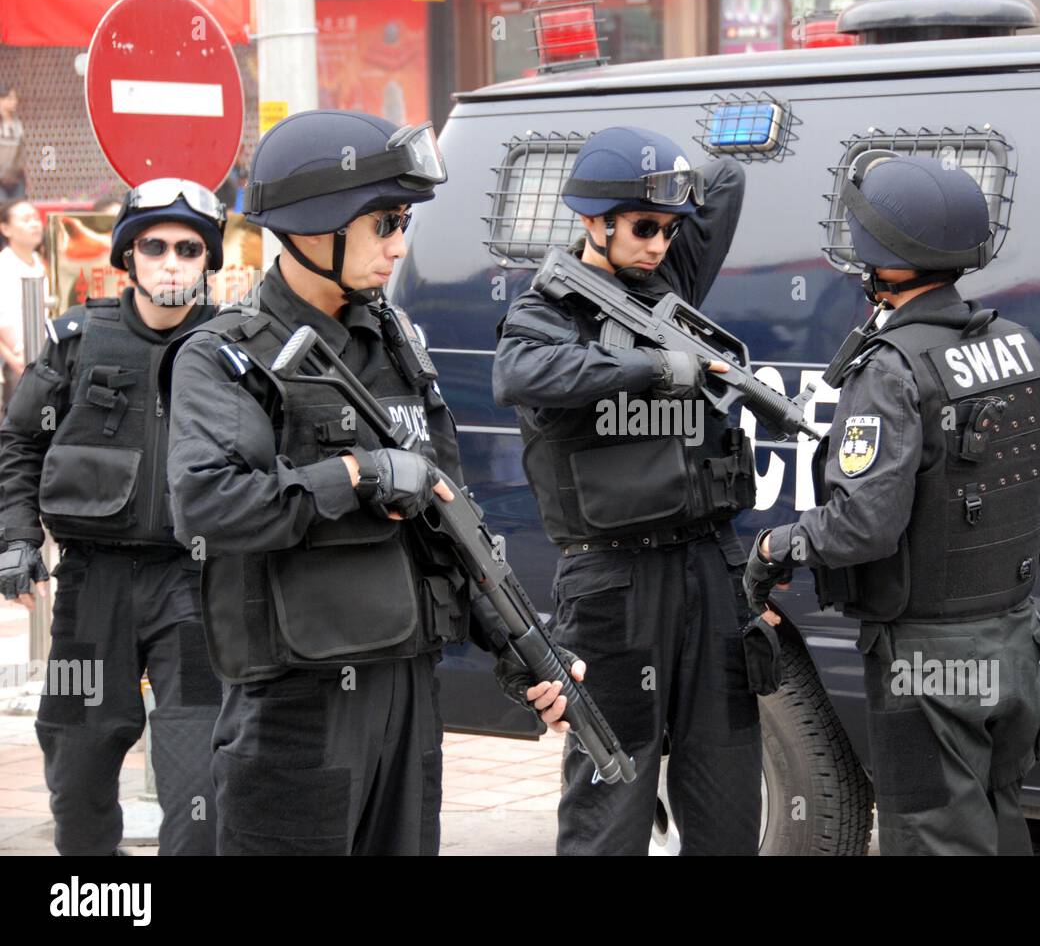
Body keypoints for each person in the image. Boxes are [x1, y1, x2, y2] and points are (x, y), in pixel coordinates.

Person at [161, 109, 569, 856]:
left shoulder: (397, 343)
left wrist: (517, 643)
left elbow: (448, 516)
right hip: (298, 702)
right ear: (316, 227)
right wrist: (358, 474)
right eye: (383, 222)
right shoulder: (226, 357)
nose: (399, 245)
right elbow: (211, 501)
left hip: (406, 690)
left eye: (402, 221)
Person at [743, 154, 1040, 856]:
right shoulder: (1019, 346)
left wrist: (778, 547)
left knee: (931, 840)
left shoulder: (893, 366)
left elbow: (864, 523)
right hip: (1013, 645)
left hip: (929, 661)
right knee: (997, 829)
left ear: (880, 260)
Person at [493, 126, 766, 855]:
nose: (658, 244)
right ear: (592, 222)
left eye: (671, 229)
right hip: (613, 582)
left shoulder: (668, 289)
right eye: (643, 227)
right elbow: (521, 375)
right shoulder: (547, 310)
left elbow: (729, 178)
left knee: (728, 793)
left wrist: (661, 175)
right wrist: (653, 371)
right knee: (611, 801)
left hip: (709, 567)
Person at [0, 178, 228, 855]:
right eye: (153, 246)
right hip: (91, 590)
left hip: (195, 588)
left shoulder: (232, 351)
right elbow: (20, 441)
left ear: (206, 263)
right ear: (126, 257)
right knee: (77, 773)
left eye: (189, 250)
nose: (170, 262)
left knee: (201, 787)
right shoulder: (77, 341)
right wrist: (15, 538)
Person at [0, 199, 45, 413]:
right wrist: (16, 357)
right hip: (17, 361)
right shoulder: (4, 266)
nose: (35, 224)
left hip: (47, 358)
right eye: (26, 220)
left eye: (36, 218)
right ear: (5, 228)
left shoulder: (43, 262)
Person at [0, 85, 25, 202]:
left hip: (16, 178)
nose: (14, 101)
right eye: (10, 98)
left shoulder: (17, 124)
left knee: (17, 208)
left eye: (15, 98)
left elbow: (20, 152)